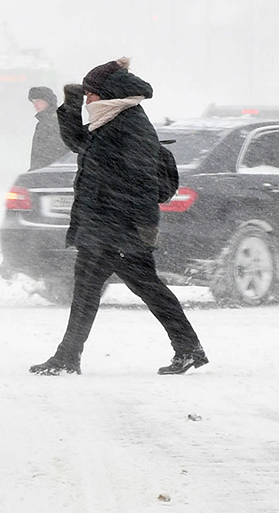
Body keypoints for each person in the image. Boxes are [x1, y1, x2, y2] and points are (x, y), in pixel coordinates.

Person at [29, 57, 207, 376]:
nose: (88, 99)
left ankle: (68, 356)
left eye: (90, 94)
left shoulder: (129, 124)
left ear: (108, 94)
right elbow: (77, 142)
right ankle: (187, 348)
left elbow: (140, 181)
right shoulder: (110, 120)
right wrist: (71, 104)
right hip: (108, 225)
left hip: (118, 227)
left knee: (107, 290)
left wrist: (118, 220)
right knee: (137, 289)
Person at [27, 86, 69, 170]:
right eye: (33, 102)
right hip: (46, 171)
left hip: (52, 171)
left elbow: (55, 151)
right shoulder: (43, 122)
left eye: (38, 101)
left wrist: (38, 170)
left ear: (48, 101)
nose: (35, 105)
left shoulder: (55, 122)